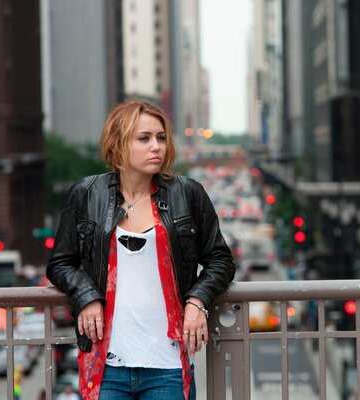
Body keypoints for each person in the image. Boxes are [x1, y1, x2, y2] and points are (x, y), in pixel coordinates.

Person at [46, 99, 236, 400]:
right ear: (119, 144)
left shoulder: (187, 194)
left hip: (168, 367)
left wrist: (197, 300)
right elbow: (60, 263)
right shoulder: (87, 194)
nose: (156, 146)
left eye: (161, 138)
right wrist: (86, 296)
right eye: (144, 138)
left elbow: (220, 260)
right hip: (106, 366)